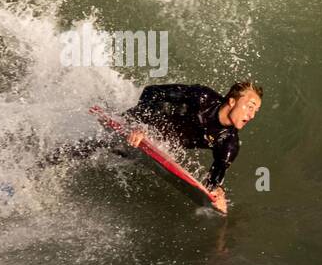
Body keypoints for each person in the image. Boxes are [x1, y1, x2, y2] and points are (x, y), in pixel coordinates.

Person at [109, 81, 263, 214]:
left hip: (159, 142)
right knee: (104, 143)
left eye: (255, 111)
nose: (252, 116)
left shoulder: (229, 142)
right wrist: (141, 125)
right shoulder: (202, 98)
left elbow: (216, 176)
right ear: (232, 101)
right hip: (136, 123)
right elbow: (152, 92)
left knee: (118, 152)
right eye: (250, 107)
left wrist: (218, 192)